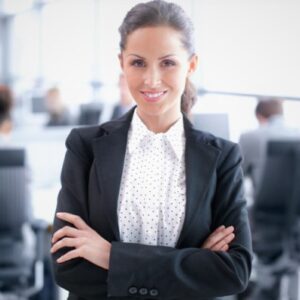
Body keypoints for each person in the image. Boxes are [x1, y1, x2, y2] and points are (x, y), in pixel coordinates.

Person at [50, 1, 252, 299]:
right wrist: (191, 264)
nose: (151, 79)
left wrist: (109, 256)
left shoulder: (222, 157)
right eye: (138, 62)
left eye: (168, 62)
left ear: (191, 65)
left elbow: (234, 272)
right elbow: (69, 267)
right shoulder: (85, 147)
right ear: (122, 63)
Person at [239, 98, 299, 193]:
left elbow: (238, 173)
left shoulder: (250, 136)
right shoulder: (298, 134)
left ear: (259, 116)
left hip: (263, 202)